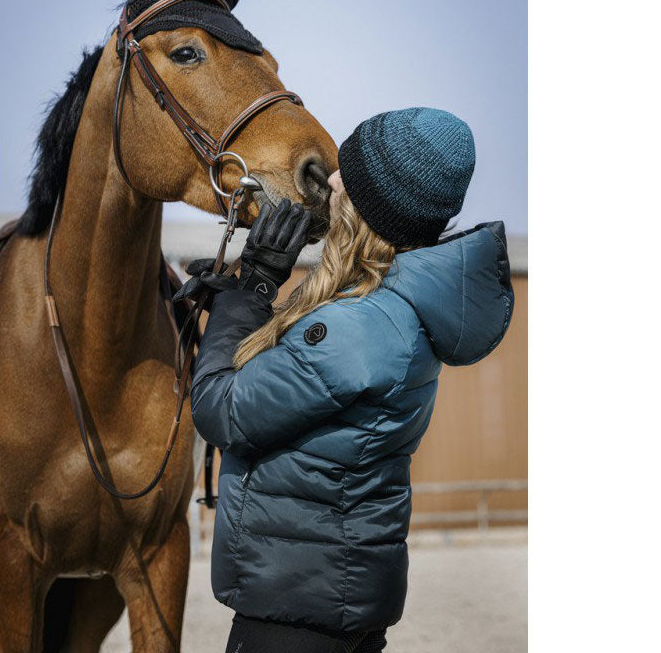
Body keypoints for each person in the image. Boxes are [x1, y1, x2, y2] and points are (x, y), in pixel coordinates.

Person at [175, 108, 514, 653]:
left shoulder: (359, 331)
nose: (330, 179)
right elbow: (292, 384)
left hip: (296, 616)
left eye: (348, 177)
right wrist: (242, 304)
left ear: (369, 207)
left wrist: (254, 289)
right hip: (331, 603)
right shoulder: (386, 315)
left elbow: (223, 411)